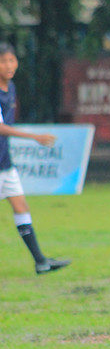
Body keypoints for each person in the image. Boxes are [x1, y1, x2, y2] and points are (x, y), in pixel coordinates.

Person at [0, 43, 72, 274]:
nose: (9, 66)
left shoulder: (10, 88)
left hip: (4, 162)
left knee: (21, 206)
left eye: (12, 60)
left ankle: (41, 261)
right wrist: (34, 137)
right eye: (4, 61)